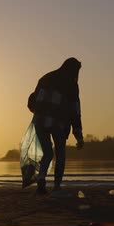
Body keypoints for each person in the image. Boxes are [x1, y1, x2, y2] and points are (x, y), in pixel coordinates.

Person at [27, 57, 84, 196]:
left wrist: (39, 111)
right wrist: (78, 135)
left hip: (39, 121)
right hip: (58, 122)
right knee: (60, 154)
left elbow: (32, 100)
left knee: (47, 153)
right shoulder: (71, 83)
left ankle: (41, 179)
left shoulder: (45, 78)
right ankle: (57, 187)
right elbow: (75, 110)